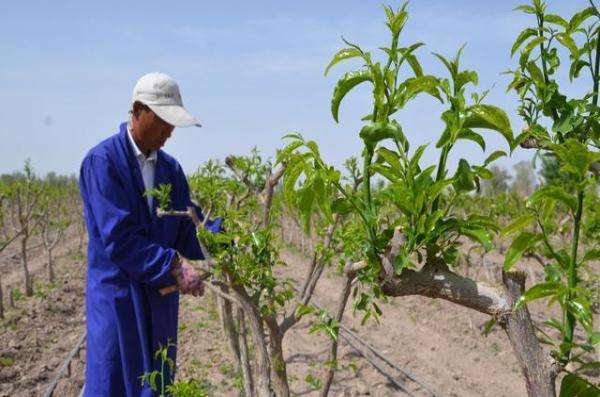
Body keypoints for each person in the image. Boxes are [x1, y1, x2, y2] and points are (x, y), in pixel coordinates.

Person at [79, 72, 219, 396]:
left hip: (159, 302)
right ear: (138, 111)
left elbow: (186, 227)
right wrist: (175, 266)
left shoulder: (170, 170)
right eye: (164, 121)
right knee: (112, 380)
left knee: (154, 384)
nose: (170, 131)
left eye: (173, 123)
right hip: (119, 300)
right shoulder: (103, 163)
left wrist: (222, 237)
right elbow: (120, 239)